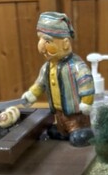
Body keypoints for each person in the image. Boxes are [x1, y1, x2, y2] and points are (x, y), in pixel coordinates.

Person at [22, 12, 94, 147]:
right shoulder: (47, 67)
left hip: (75, 113)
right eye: (40, 39)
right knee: (59, 126)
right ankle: (64, 132)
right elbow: (40, 84)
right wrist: (31, 94)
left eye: (47, 41)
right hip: (59, 112)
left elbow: (86, 83)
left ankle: (80, 132)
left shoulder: (76, 66)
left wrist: (86, 102)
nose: (41, 45)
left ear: (65, 44)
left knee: (75, 127)